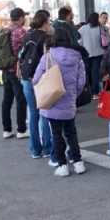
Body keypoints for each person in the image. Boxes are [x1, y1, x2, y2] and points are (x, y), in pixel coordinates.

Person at [32, 27, 87, 177]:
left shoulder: (48, 56)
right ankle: (78, 162)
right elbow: (81, 81)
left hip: (53, 101)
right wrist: (73, 94)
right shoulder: (77, 57)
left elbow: (36, 79)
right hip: (69, 101)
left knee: (56, 134)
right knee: (71, 132)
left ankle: (62, 165)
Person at [19, 9, 54, 159]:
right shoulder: (46, 38)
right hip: (40, 79)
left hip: (26, 78)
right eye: (49, 21)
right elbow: (48, 59)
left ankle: (35, 150)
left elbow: (21, 55)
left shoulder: (27, 35)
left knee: (33, 114)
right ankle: (47, 148)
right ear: (45, 23)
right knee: (44, 113)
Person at [1, 7, 29, 140]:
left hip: (5, 70)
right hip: (16, 70)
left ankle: (6, 130)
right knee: (20, 99)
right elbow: (26, 50)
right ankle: (21, 130)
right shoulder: (20, 32)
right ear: (21, 18)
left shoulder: (4, 30)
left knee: (7, 100)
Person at [79, 13, 105, 97]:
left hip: (86, 54)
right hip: (98, 54)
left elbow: (79, 42)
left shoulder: (82, 29)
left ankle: (88, 91)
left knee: (87, 72)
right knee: (95, 73)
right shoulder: (100, 28)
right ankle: (95, 92)